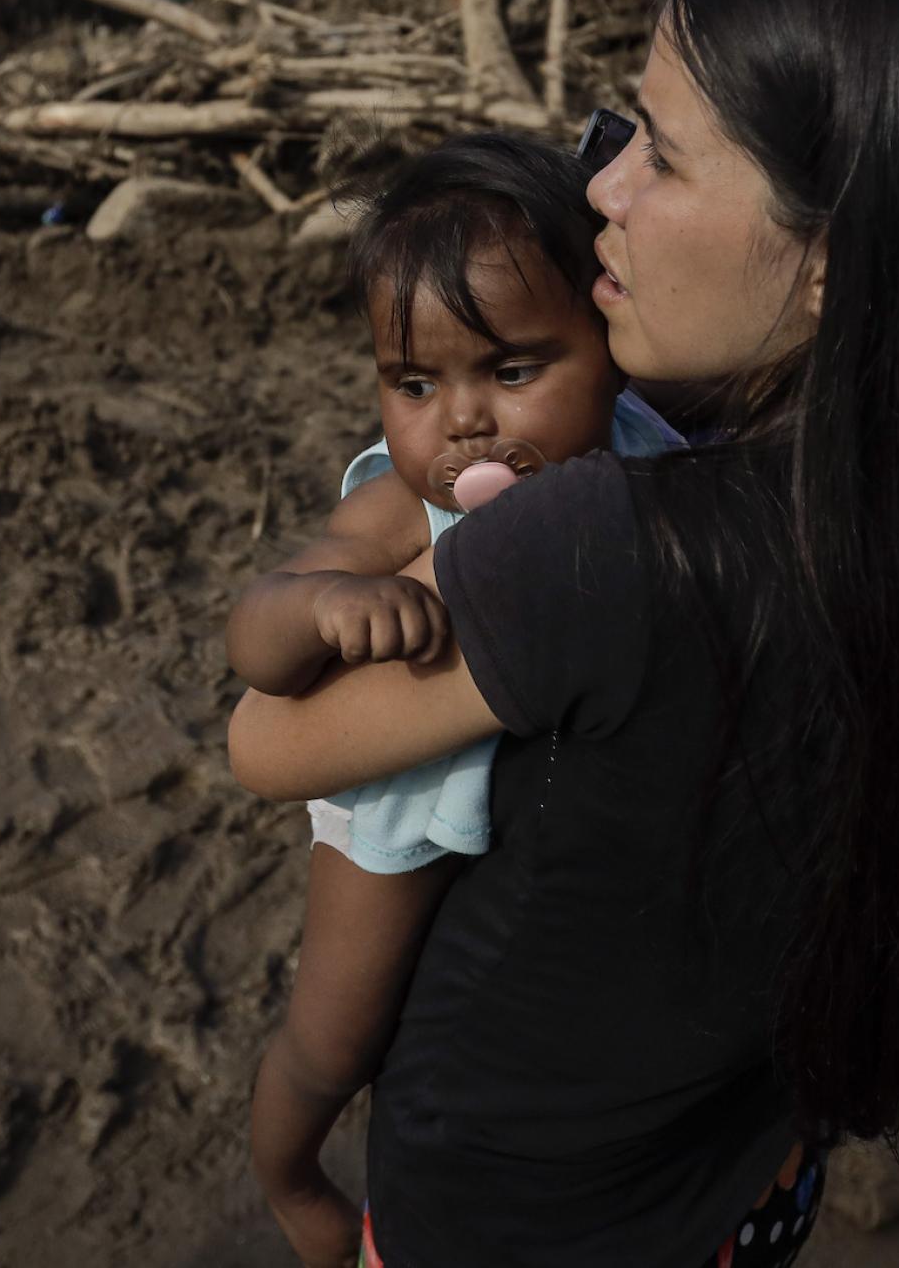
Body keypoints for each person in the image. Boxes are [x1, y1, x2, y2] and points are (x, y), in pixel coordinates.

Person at [228, 0, 899, 1266]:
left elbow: (266, 738)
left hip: (509, 1216)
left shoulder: (606, 547)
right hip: (740, 1181)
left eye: (658, 152)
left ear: (837, 254)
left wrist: (380, 547)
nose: (598, 187)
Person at [226, 134, 679, 1266]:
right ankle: (288, 1176)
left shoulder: (644, 454)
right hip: (397, 809)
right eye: (413, 385)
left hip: (529, 834)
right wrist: (327, 606)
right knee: (338, 1035)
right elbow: (257, 635)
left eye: (511, 372)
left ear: (609, 347)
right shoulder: (396, 509)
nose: (461, 423)